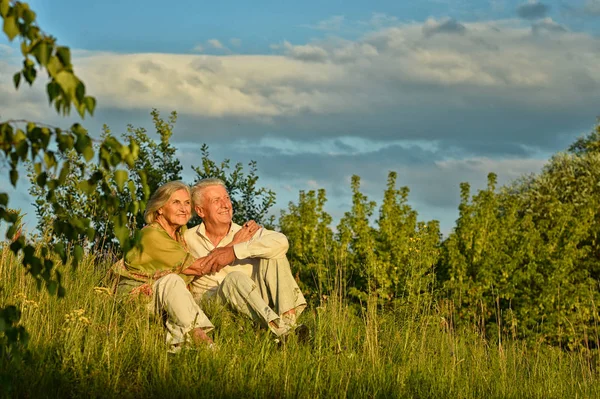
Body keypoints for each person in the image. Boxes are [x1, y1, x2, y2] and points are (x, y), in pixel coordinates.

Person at [184, 178, 307, 339]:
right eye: (216, 200)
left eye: (227, 198)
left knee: (274, 254)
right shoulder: (187, 239)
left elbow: (281, 241)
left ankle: (288, 325)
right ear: (200, 211)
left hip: (254, 305)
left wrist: (234, 251)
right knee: (234, 278)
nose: (225, 204)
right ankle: (282, 331)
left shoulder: (246, 232)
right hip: (215, 307)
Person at [114, 181, 216, 352]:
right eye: (176, 202)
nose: (184, 209)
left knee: (176, 286)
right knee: (172, 281)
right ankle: (203, 341)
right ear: (160, 208)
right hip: (135, 301)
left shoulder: (180, 236)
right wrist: (235, 247)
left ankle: (179, 351)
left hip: (160, 300)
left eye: (187, 203)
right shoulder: (151, 234)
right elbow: (197, 268)